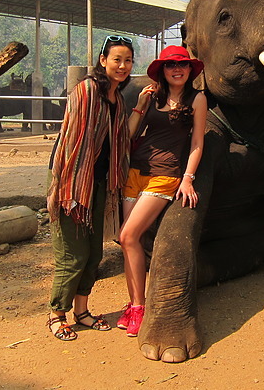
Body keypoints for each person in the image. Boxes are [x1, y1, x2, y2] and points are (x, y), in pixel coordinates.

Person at [46, 34, 135, 341]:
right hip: (73, 182)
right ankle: (57, 313)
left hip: (98, 184)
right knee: (72, 254)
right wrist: (68, 191)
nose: (122, 66)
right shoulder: (87, 90)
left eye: (127, 61)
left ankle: (81, 311)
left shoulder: (118, 98)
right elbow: (72, 142)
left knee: (94, 253)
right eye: (117, 60)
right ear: (103, 61)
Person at [118, 45, 208, 337]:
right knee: (130, 240)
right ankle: (133, 303)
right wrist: (140, 106)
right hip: (136, 172)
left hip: (164, 175)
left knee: (128, 235)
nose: (176, 70)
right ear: (163, 71)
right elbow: (131, 133)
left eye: (181, 65)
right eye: (170, 65)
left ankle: (141, 307)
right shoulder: (152, 97)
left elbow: (196, 143)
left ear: (190, 70)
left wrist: (188, 178)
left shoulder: (198, 99)